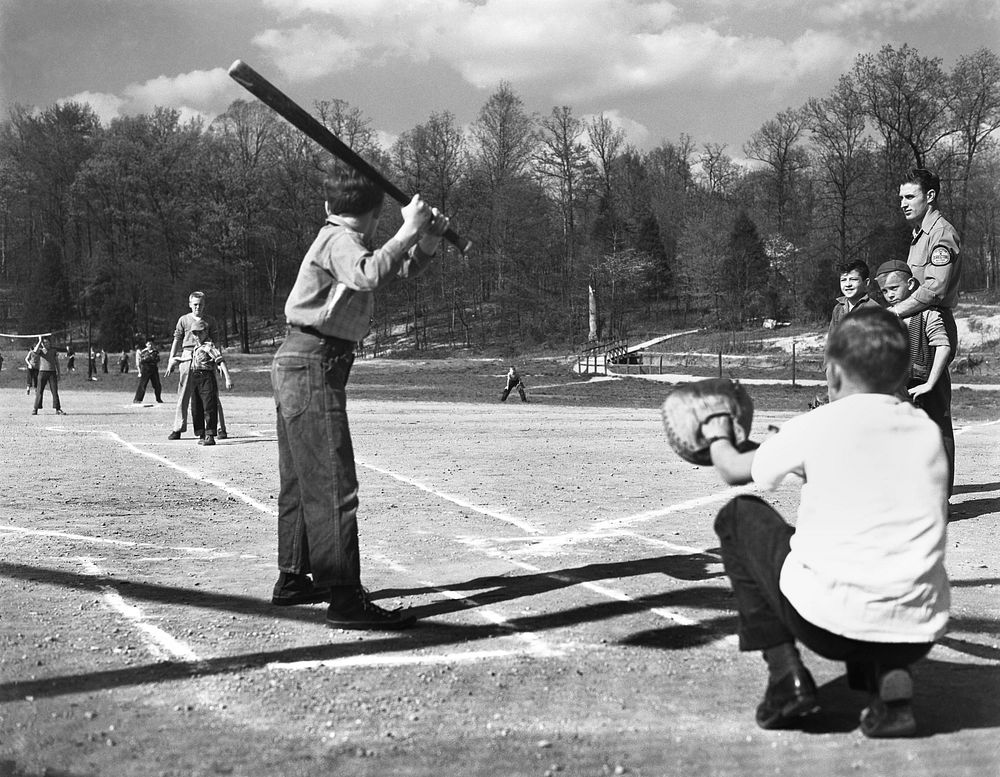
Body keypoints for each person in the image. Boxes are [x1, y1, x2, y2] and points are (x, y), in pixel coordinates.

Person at [705, 307, 949, 738]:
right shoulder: (927, 432)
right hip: (916, 632)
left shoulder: (817, 424)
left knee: (739, 517)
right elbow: (863, 466)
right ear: (902, 375)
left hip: (825, 626)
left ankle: (786, 677)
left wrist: (717, 432)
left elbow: (731, 469)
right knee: (882, 548)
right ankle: (891, 683)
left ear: (833, 374)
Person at [271, 166, 448, 628]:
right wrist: (408, 229)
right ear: (375, 214)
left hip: (303, 361)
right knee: (332, 485)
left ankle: (293, 578)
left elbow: (391, 270)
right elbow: (371, 274)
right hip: (312, 362)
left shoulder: (346, 241)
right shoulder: (340, 242)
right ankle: (346, 600)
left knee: (302, 479)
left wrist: (425, 240)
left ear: (329, 206)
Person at [875, 259, 955, 495]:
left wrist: (930, 383)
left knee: (938, 437)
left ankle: (941, 499)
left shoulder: (928, 314)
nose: (889, 295)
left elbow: (943, 346)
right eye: (884, 291)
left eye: (893, 288)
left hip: (930, 385)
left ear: (910, 284)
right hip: (899, 388)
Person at [889, 168, 961, 357]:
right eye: (901, 198)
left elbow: (934, 290)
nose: (903, 204)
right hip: (916, 323)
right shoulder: (919, 234)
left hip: (934, 325)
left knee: (931, 386)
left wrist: (895, 311)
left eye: (910, 197)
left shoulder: (941, 233)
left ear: (930, 196)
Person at [165, 291, 228, 440]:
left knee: (211, 395)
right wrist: (171, 359)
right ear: (190, 304)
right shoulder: (183, 320)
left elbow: (216, 342)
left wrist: (218, 363)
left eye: (200, 304)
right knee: (184, 393)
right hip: (187, 355)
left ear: (204, 305)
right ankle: (178, 427)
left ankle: (219, 427)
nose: (197, 307)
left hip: (206, 356)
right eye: (195, 304)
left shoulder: (210, 320)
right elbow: (177, 340)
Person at [177, 321, 232, 446]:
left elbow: (220, 361)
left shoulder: (209, 346)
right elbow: (189, 359)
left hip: (206, 377)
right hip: (195, 378)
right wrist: (175, 360)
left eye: (199, 333)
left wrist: (227, 378)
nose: (197, 336)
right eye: (194, 333)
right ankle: (201, 433)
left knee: (209, 405)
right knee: (196, 407)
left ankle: (210, 434)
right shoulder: (196, 347)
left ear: (205, 332)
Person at [827, 260, 882, 338]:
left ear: (866, 282)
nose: (848, 284)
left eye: (853, 279)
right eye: (843, 280)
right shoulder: (838, 308)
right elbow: (831, 339)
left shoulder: (874, 309)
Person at [31, 337, 66, 415]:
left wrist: (59, 373)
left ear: (50, 343)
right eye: (44, 342)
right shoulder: (41, 351)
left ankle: (58, 409)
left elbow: (57, 362)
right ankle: (35, 408)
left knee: (54, 391)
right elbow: (34, 351)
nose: (46, 344)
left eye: (47, 342)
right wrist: (39, 341)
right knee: (39, 391)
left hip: (52, 373)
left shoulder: (53, 351)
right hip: (42, 372)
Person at [133, 339, 164, 403]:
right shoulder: (143, 352)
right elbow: (141, 360)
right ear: (146, 345)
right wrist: (148, 359)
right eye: (148, 344)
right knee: (142, 384)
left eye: (151, 344)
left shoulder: (155, 352)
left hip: (153, 369)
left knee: (157, 385)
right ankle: (138, 399)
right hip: (145, 369)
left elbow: (157, 359)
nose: (150, 345)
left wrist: (150, 359)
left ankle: (158, 398)